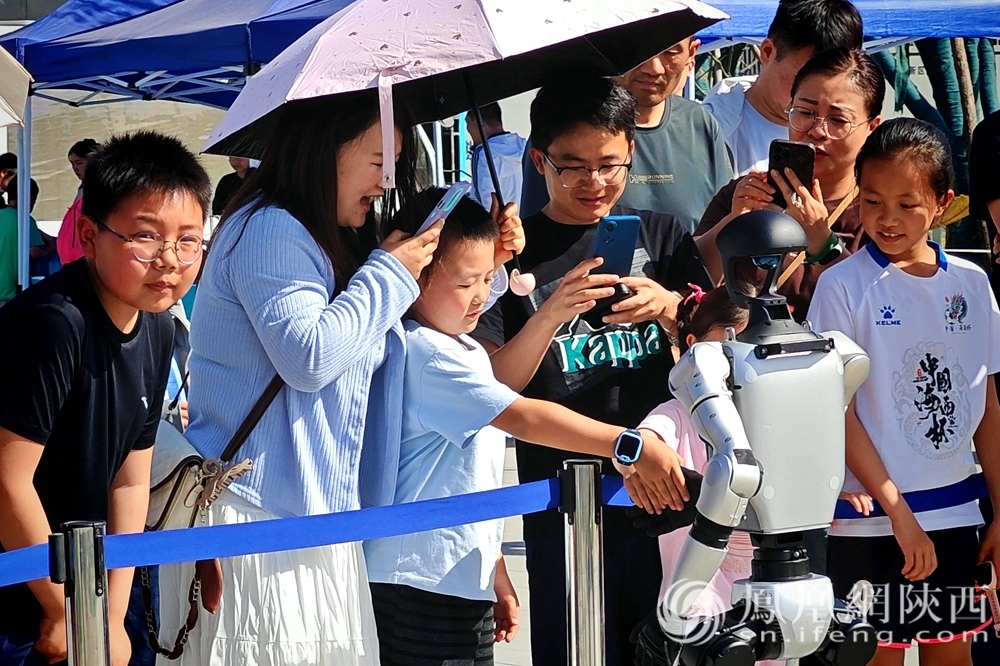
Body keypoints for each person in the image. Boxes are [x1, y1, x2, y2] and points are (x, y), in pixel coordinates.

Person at [155, 94, 523, 666]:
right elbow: (310, 356)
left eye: (394, 165)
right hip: (259, 522)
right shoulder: (272, 230)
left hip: (311, 520)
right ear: (325, 151)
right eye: (379, 162)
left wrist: (485, 265)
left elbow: (383, 326)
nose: (385, 182)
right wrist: (388, 270)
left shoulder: (323, 233)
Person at [366, 188, 688, 665]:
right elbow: (522, 414)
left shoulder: (458, 344)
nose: (481, 295)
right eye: (464, 283)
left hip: (449, 572)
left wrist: (493, 565)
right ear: (410, 276)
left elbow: (460, 475)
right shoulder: (426, 353)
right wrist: (627, 445)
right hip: (418, 582)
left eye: (487, 279)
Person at [474, 73, 713, 666]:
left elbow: (717, 348)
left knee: (664, 648)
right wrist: (549, 313)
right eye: (572, 166)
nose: (594, 183)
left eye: (610, 164)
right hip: (562, 502)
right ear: (538, 160)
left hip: (661, 497)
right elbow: (496, 385)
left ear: (631, 150)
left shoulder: (664, 237)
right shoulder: (512, 255)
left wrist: (672, 309)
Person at [0, 131, 210, 666]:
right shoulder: (54, 324)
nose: (169, 259)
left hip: (94, 585)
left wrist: (110, 614)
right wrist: (61, 612)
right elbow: (7, 479)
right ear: (89, 235)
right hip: (22, 590)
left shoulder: (159, 326)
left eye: (188, 239)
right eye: (145, 236)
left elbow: (131, 477)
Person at [808, 117, 1000, 666]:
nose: (887, 219)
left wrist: (999, 512)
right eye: (872, 201)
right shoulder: (841, 286)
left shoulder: (971, 282)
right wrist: (898, 513)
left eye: (907, 204)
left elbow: (985, 403)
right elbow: (835, 409)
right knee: (876, 658)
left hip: (958, 514)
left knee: (952, 657)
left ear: (943, 203)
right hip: (870, 520)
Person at [620, 283, 782, 666]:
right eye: (725, 350)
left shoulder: (774, 412)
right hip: (697, 594)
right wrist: (638, 455)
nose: (737, 364)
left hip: (766, 591)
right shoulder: (680, 411)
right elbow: (643, 442)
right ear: (691, 345)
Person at [696, 47, 885, 318]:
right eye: (805, 112)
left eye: (838, 120)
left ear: (872, 127)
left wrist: (825, 246)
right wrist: (734, 221)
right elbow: (689, 282)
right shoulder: (744, 194)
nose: (817, 131)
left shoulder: (877, 212)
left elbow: (886, 309)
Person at [519, 39, 732, 233]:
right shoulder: (563, 128)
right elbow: (537, 240)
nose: (653, 68)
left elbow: (723, 232)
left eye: (671, 52)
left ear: (692, 53)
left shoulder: (700, 123)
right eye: (639, 52)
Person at [702, 0, 863, 176]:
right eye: (801, 79)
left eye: (832, 87)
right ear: (768, 52)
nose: (819, 130)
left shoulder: (859, 138)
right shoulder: (710, 133)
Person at [0, 177, 52, 306]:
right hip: (9, 292)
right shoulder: (25, 220)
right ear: (30, 199)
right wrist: (52, 248)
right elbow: (33, 252)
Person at [467, 103, 527, 212]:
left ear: (478, 121)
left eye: (467, 122)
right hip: (525, 223)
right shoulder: (524, 145)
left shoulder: (483, 153)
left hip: (500, 226)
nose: (468, 129)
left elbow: (484, 203)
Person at [56, 138, 101, 265]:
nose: (75, 168)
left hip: (85, 260)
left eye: (79, 163)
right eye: (73, 164)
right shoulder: (82, 189)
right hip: (72, 261)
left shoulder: (100, 190)